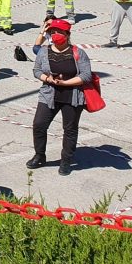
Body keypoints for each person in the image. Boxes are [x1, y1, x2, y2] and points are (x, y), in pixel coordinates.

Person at [28, 19, 92, 175]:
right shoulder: (43, 52)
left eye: (59, 32)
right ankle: (40, 155)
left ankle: (66, 161)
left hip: (72, 96)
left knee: (70, 129)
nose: (56, 35)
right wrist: (47, 78)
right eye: (53, 32)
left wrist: (66, 83)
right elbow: (36, 70)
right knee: (39, 125)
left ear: (67, 34)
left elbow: (86, 75)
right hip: (49, 94)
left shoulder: (78, 53)